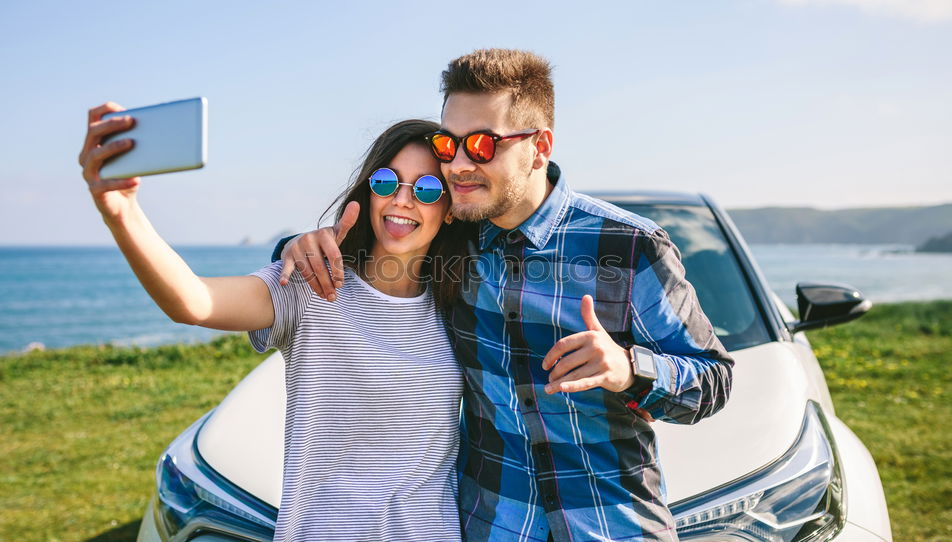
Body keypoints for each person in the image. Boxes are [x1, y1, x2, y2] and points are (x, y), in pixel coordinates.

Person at [274, 49, 734, 542]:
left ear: (539, 147)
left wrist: (629, 369)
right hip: (493, 529)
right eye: (448, 146)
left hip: (613, 529)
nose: (459, 164)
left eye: (482, 144)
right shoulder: (451, 240)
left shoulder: (628, 245)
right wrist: (295, 247)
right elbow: (377, 249)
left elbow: (714, 379)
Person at [78, 107, 471, 542]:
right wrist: (121, 213)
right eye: (386, 182)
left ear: (451, 209)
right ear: (369, 192)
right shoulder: (311, 286)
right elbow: (193, 301)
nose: (402, 199)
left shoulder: (460, 306)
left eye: (428, 188)